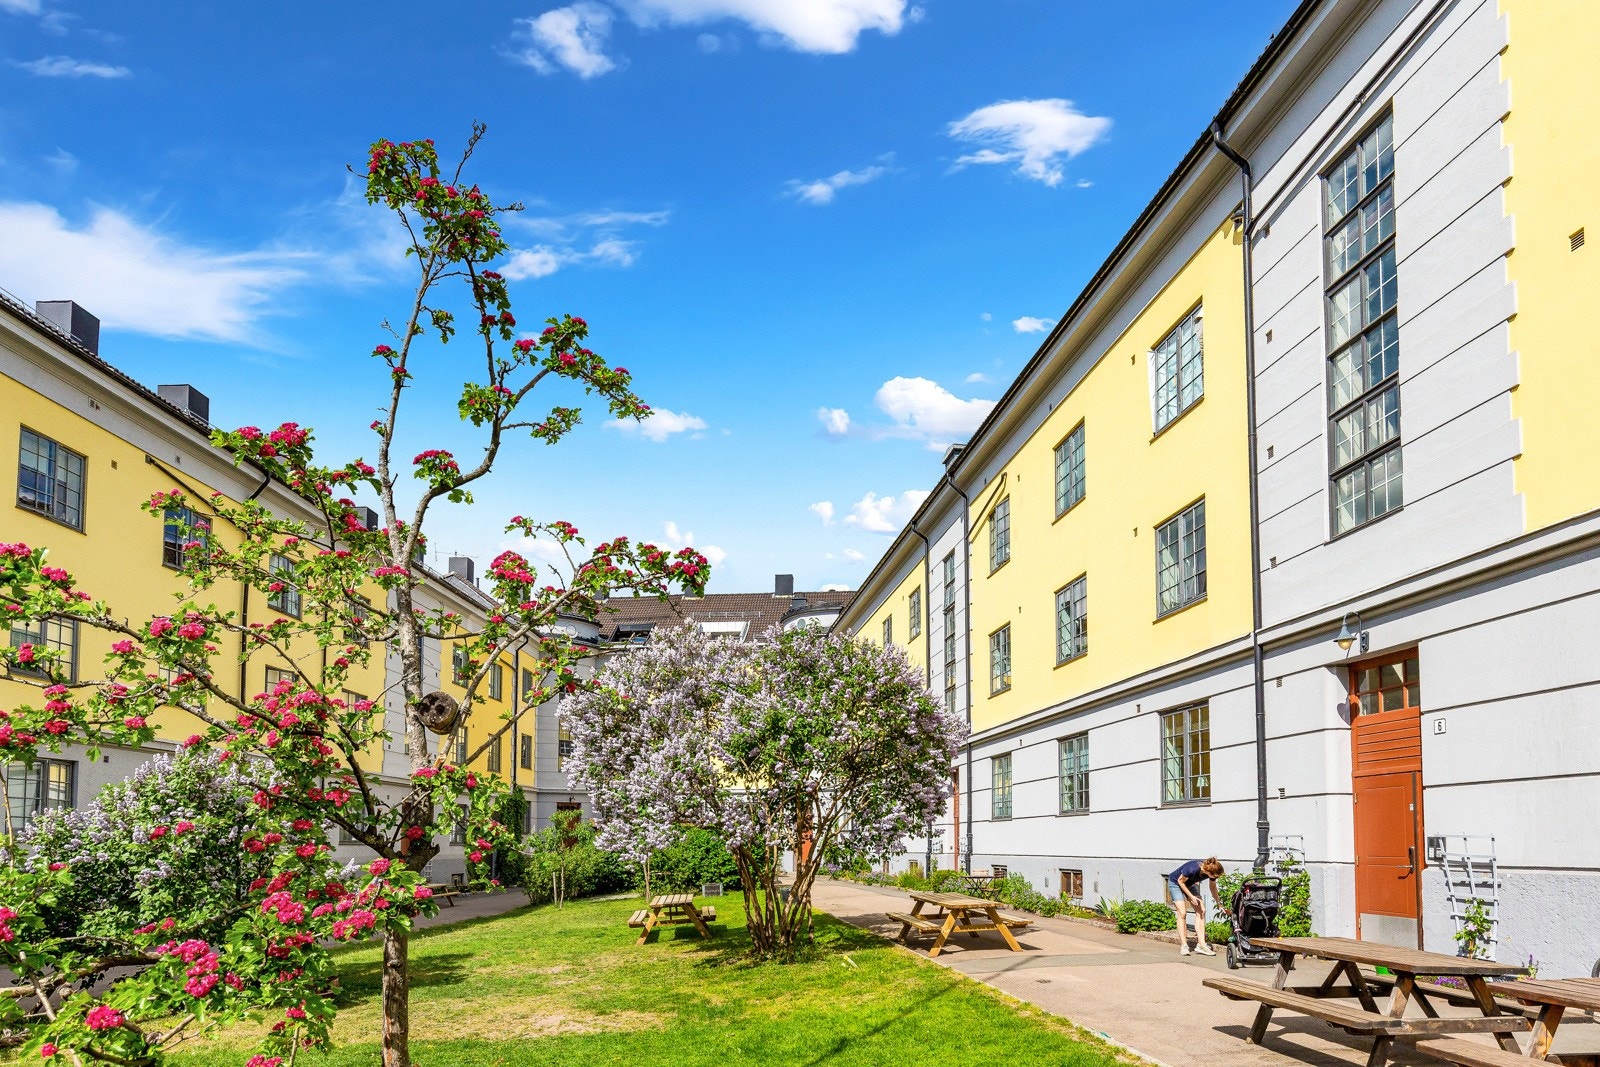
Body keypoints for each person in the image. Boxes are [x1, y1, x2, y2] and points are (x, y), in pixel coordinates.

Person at [1167, 857, 1224, 956]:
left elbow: (1213, 887)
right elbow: (1180, 881)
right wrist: (1191, 897)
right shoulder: (1192, 868)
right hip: (1175, 883)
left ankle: (1201, 945)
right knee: (1182, 913)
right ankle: (1184, 946)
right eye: (1215, 875)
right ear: (1209, 872)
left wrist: (1219, 903)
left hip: (1189, 884)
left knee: (1201, 911)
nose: (1216, 877)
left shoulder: (1211, 873)